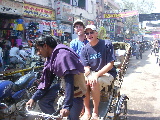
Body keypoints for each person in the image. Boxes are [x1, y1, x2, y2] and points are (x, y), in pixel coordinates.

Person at [26, 35, 86, 120]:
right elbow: (46, 82)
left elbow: (70, 82)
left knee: (72, 118)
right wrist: (33, 98)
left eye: (39, 49)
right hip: (63, 85)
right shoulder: (51, 57)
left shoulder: (63, 55)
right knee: (43, 101)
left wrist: (67, 106)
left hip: (75, 90)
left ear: (45, 46)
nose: (38, 53)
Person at [80, 25, 117, 120]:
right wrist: (84, 75)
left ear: (96, 33)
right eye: (87, 33)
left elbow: (110, 64)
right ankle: (87, 111)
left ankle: (95, 112)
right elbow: (86, 67)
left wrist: (96, 75)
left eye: (91, 32)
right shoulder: (84, 49)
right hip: (92, 72)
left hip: (107, 73)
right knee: (82, 82)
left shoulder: (106, 44)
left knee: (94, 82)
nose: (89, 35)